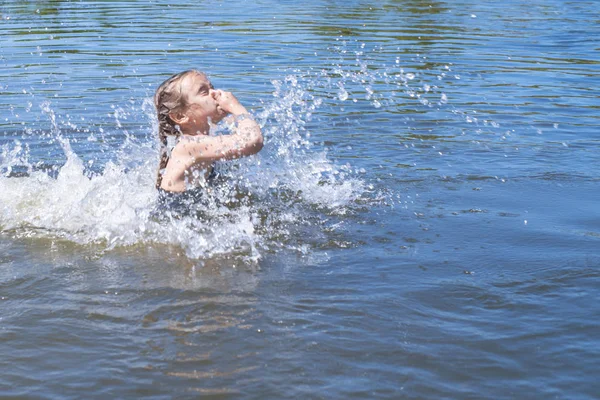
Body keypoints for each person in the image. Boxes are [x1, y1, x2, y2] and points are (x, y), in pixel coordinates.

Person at [154, 69, 263, 193]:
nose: (216, 93)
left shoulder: (202, 141)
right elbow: (253, 141)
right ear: (180, 116)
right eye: (204, 91)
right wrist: (236, 107)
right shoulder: (188, 145)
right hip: (177, 210)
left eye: (212, 87)